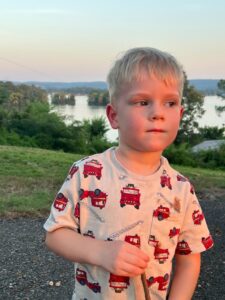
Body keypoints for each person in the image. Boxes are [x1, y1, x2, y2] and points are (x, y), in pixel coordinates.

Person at [44, 47, 214, 300]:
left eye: (170, 102)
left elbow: (190, 259)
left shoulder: (181, 188)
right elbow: (55, 234)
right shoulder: (88, 172)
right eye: (142, 102)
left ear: (179, 114)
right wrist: (101, 252)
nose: (157, 113)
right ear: (114, 116)